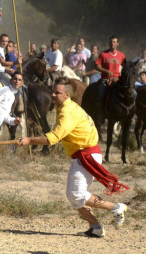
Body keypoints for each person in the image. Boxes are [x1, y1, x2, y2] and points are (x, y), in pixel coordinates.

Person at [18, 76, 129, 238]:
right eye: (53, 92)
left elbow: (52, 139)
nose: (53, 95)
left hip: (86, 155)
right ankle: (96, 228)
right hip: (83, 154)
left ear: (67, 95)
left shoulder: (67, 113)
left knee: (76, 195)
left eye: (57, 93)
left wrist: (29, 140)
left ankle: (117, 208)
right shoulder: (66, 106)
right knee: (76, 197)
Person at [95, 36, 126, 122]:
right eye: (111, 42)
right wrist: (106, 71)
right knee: (100, 95)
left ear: (118, 44)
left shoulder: (122, 55)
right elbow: (97, 66)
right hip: (106, 79)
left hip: (118, 80)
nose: (112, 43)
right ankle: (100, 113)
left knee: (132, 93)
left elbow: (125, 68)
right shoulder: (103, 54)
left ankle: (128, 114)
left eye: (114, 42)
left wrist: (120, 77)